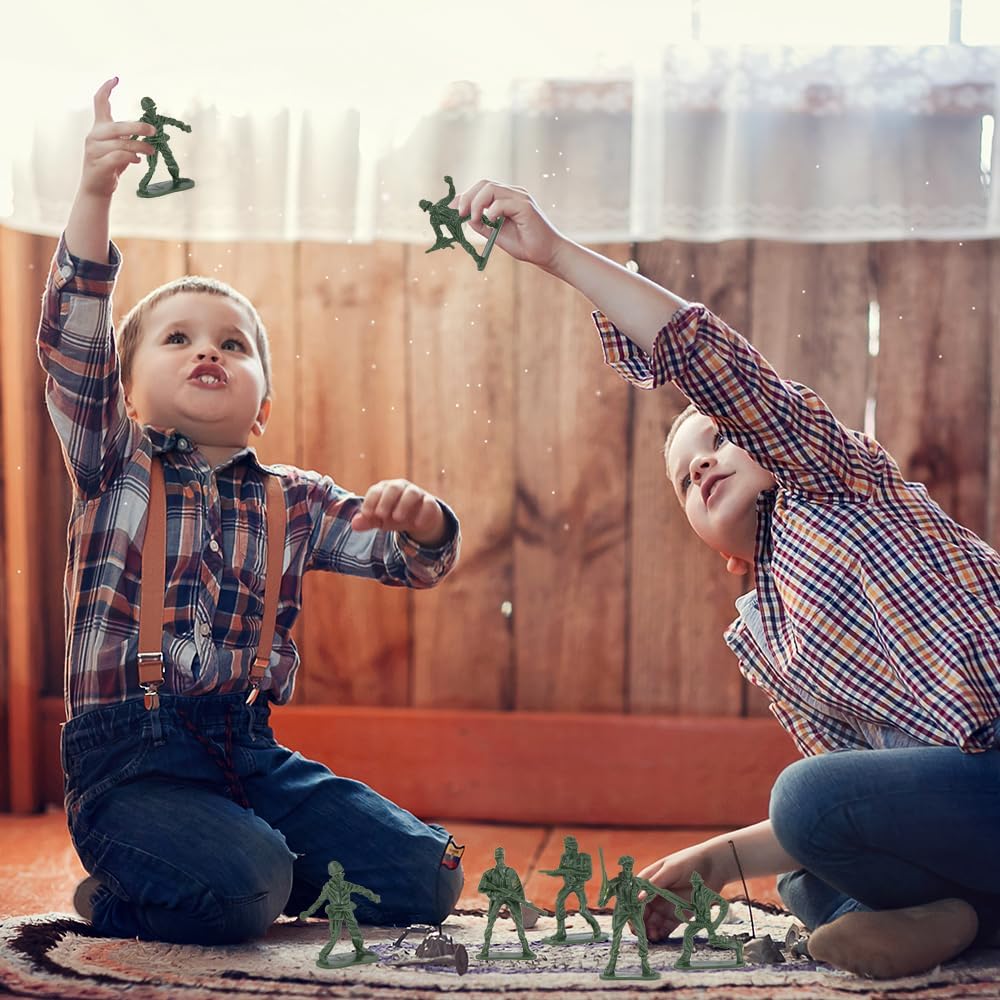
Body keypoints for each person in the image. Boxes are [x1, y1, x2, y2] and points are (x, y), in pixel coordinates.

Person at [452, 178, 1000, 980]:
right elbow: (860, 792)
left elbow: (716, 366)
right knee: (807, 877)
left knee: (805, 802)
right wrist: (713, 863)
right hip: (960, 814)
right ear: (712, 547)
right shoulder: (767, 634)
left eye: (717, 439)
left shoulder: (836, 483)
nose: (700, 463)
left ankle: (957, 918)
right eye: (681, 478)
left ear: (765, 443)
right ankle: (964, 922)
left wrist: (563, 258)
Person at [40, 78, 465, 945]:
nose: (209, 351)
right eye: (180, 338)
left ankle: (232, 864)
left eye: (233, 345)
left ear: (262, 404)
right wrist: (94, 192)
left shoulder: (292, 500)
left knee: (429, 872)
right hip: (131, 766)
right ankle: (153, 885)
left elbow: (407, 560)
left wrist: (423, 523)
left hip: (249, 753)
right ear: (124, 391)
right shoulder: (113, 462)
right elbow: (74, 339)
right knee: (250, 884)